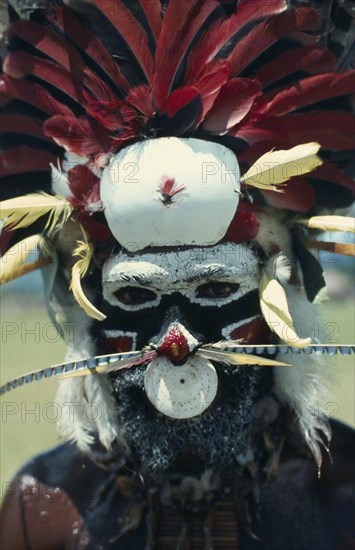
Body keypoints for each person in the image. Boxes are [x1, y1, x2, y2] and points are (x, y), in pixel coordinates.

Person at [0, 1, 354, 548]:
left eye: (215, 288)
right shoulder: (43, 505)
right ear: (90, 312)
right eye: (137, 293)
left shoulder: (345, 495)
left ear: (273, 305)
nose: (176, 338)